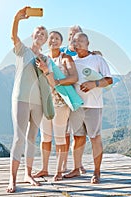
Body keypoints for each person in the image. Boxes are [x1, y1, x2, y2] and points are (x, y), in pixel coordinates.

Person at [6, 7, 54, 193]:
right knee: (19, 138)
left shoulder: (45, 59)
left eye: (44, 34)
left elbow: (52, 82)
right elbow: (13, 36)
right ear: (33, 36)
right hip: (21, 99)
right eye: (38, 33)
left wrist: (45, 69)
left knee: (32, 139)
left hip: (38, 103)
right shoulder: (23, 51)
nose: (41, 35)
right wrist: (16, 18)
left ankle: (28, 174)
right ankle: (13, 178)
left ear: (45, 40)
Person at [63, 32, 113, 184]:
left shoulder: (97, 59)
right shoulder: (72, 61)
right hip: (76, 105)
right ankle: (76, 169)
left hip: (94, 106)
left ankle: (96, 173)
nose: (77, 43)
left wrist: (94, 84)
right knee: (77, 138)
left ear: (88, 43)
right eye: (74, 41)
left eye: (81, 41)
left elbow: (109, 80)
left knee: (94, 138)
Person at [33, 31, 78, 181]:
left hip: (60, 103)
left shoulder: (65, 58)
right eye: (51, 38)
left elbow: (74, 77)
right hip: (45, 102)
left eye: (57, 38)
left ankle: (59, 171)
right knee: (45, 138)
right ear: (47, 41)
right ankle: (44, 169)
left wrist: (56, 82)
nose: (54, 40)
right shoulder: (42, 58)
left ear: (61, 42)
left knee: (60, 138)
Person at [60, 25, 87, 174]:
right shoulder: (62, 52)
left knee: (79, 134)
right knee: (64, 134)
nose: (73, 37)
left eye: (76, 34)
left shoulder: (85, 53)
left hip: (79, 99)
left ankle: (78, 163)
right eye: (71, 34)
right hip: (64, 97)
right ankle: (63, 164)